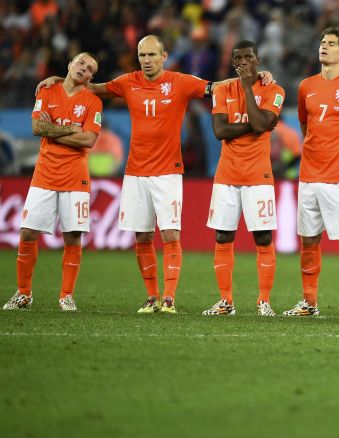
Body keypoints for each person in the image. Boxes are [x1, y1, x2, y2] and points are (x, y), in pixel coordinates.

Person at [36, 35, 272, 314]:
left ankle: (169, 298)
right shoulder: (128, 81)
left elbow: (215, 87)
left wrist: (257, 77)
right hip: (135, 170)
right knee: (143, 237)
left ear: (164, 56)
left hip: (168, 171)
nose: (146, 60)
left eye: (151, 55)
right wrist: (56, 78)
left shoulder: (180, 82)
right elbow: (94, 88)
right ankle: (151, 297)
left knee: (171, 234)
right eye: (142, 55)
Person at [281, 27, 339, 319]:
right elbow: (305, 126)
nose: (324, 47)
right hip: (309, 175)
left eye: (332, 44)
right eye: (322, 42)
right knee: (309, 240)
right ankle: (309, 302)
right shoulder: (306, 86)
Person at [3, 53, 102, 311]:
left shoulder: (93, 102)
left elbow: (89, 140)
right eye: (80, 63)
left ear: (92, 77)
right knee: (27, 232)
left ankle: (66, 295)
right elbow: (37, 128)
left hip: (75, 177)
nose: (84, 69)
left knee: (72, 236)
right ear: (70, 65)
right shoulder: (47, 90)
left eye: (90, 68)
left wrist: (54, 130)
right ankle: (24, 293)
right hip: (44, 174)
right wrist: (71, 129)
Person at [202, 41, 285, 317]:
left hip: (258, 176)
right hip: (226, 175)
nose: (242, 62)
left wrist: (248, 88)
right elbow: (220, 131)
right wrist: (257, 123)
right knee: (223, 236)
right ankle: (226, 301)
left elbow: (262, 125)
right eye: (237, 59)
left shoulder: (274, 90)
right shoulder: (223, 89)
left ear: (257, 60)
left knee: (262, 238)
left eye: (248, 57)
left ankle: (264, 301)